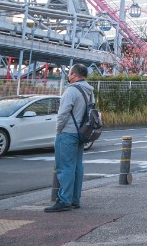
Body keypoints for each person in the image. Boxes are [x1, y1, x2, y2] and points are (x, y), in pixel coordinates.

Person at [46, 64, 94, 212]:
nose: (68, 76)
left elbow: (63, 114)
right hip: (81, 133)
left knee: (65, 167)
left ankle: (64, 200)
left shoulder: (71, 91)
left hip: (68, 132)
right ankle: (74, 199)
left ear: (74, 75)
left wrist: (58, 130)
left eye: (69, 73)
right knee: (77, 167)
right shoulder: (90, 91)